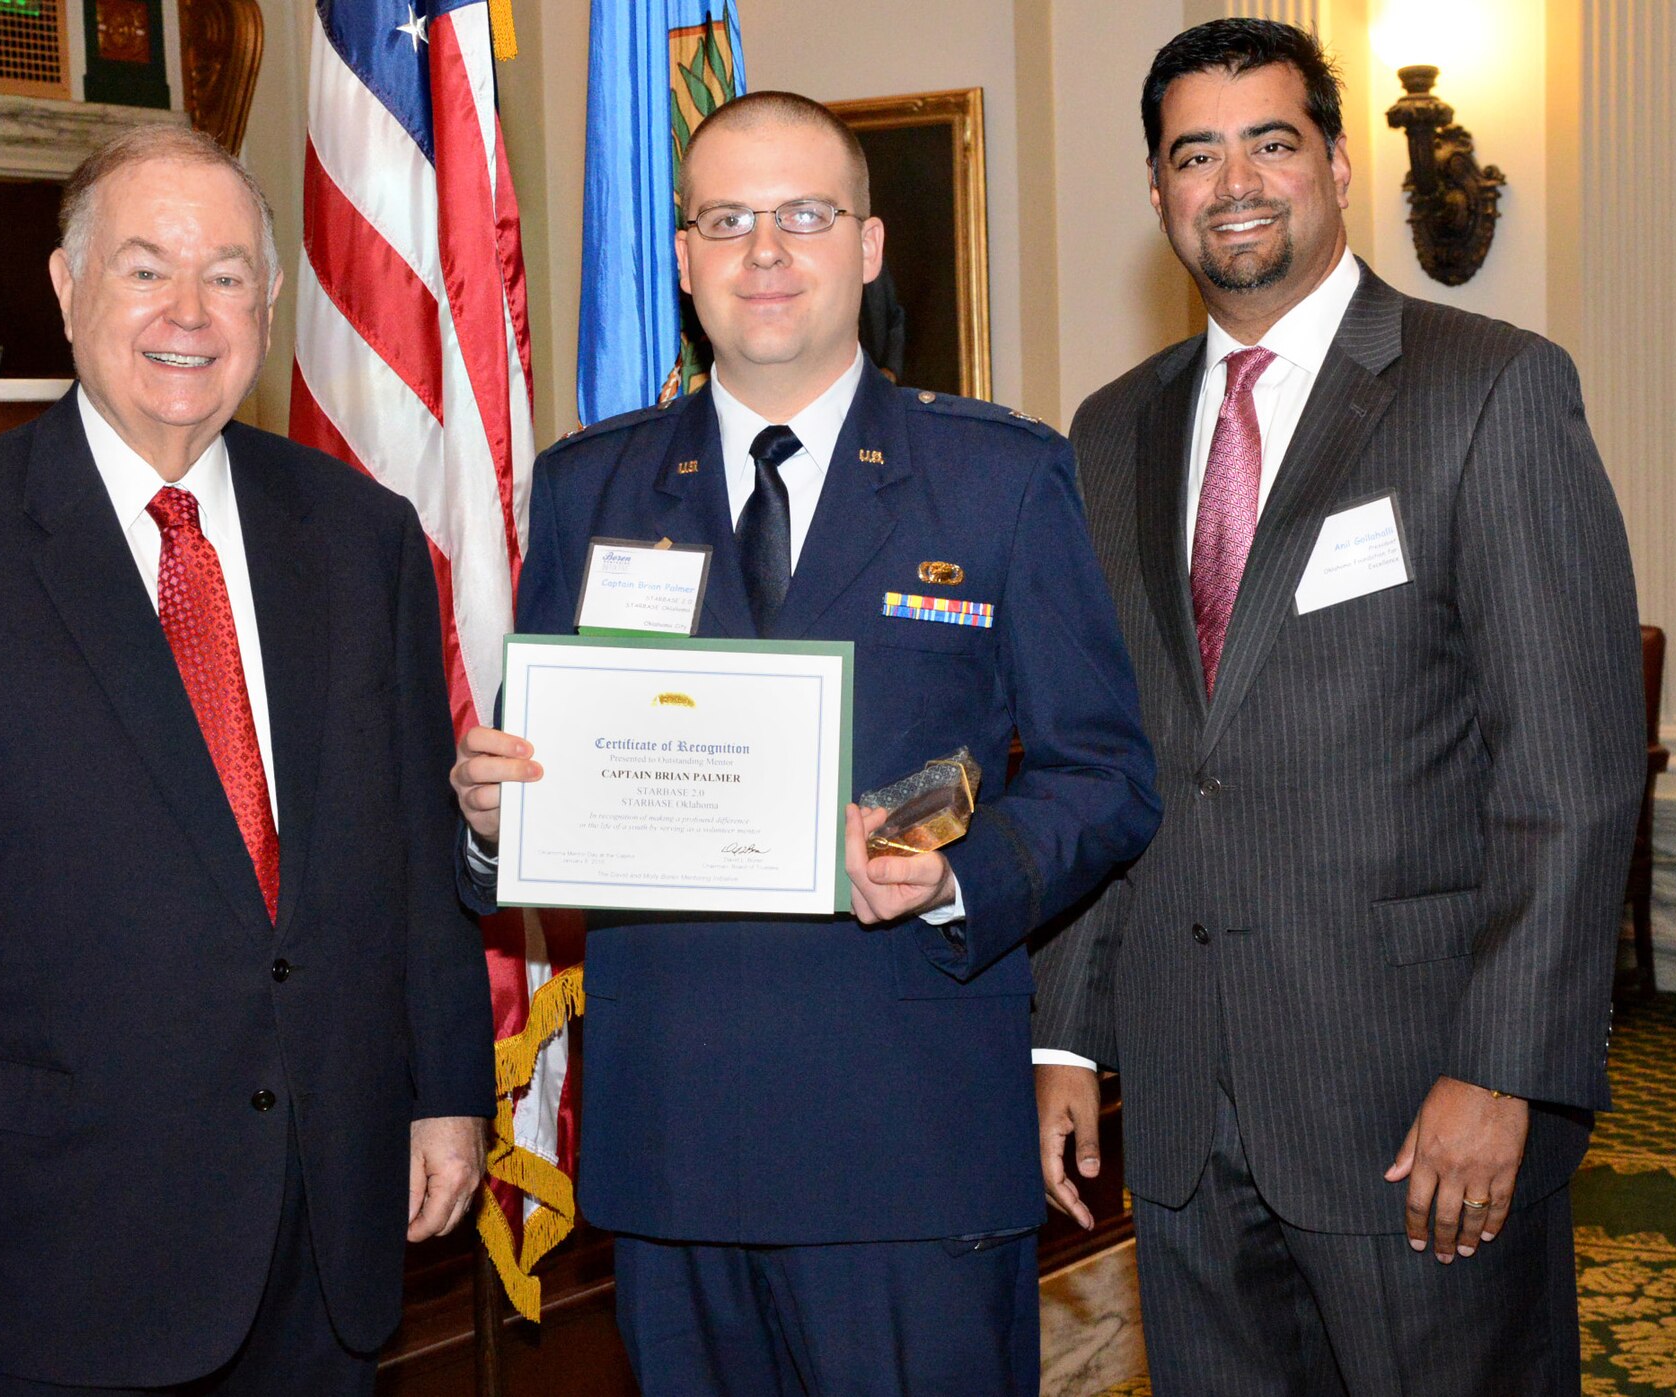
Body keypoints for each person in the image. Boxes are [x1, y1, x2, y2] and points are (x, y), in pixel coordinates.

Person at [452, 91, 1160, 1396]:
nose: (764, 253)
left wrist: (952, 875)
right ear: (681, 256)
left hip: (907, 1139)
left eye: (804, 216)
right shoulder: (589, 487)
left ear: (870, 244)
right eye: (726, 219)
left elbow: (1107, 779)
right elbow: (540, 793)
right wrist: (492, 819)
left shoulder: (999, 479)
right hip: (676, 1151)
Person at [0, 125, 493, 1397]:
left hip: (325, 1225)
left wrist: (446, 1087)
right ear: (66, 289)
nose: (189, 311)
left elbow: (404, 848)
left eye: (227, 274)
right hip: (57, 1237)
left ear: (271, 306)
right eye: (144, 268)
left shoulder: (361, 538)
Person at [1028, 19, 1643, 1396]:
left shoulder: (1489, 389)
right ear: (1158, 193)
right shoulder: (1109, 430)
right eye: (1197, 152)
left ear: (1340, 166)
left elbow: (1573, 773)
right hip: (1186, 1109)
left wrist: (1508, 1070)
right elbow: (1105, 750)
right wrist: (1065, 1031)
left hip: (1421, 1099)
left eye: (1270, 141)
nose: (1234, 179)